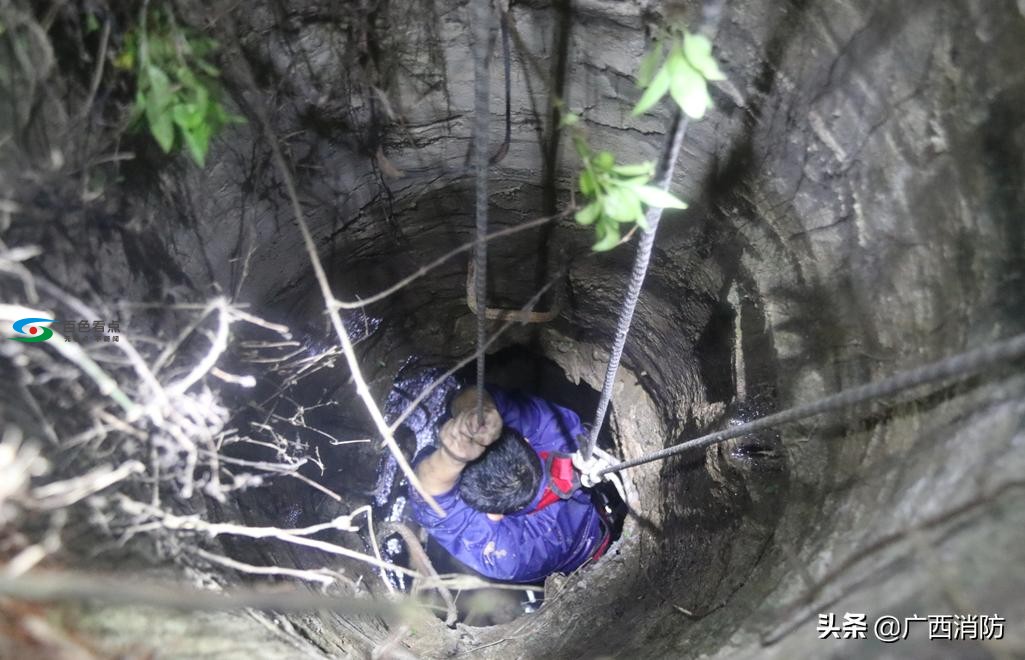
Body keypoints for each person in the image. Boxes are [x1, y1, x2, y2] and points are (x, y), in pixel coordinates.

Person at [407, 385, 609, 583]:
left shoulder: (510, 555)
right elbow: (481, 399)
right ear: (526, 440)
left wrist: (450, 458)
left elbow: (429, 499)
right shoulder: (561, 437)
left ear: (494, 515)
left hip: (582, 563)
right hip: (598, 524)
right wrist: (476, 412)